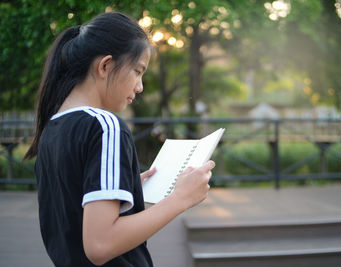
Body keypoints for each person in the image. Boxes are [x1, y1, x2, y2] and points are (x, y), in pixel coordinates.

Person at [24, 12, 215, 267]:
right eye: (137, 71)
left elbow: (73, 213)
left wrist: (127, 184)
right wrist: (180, 199)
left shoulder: (53, 128)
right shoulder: (105, 125)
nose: (140, 87)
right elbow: (100, 245)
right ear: (105, 66)